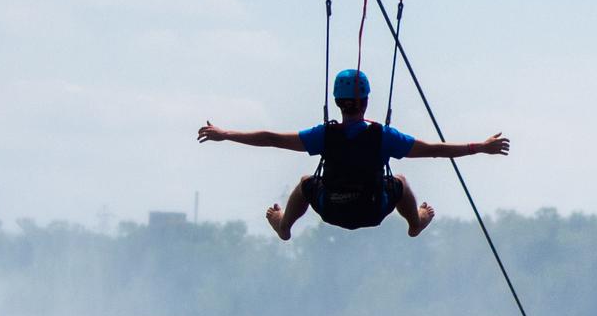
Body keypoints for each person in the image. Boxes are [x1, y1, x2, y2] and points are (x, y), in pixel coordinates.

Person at [197, 68, 510, 240]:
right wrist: (479, 147)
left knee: (306, 182)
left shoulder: (324, 135)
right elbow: (434, 151)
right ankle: (415, 223)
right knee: (400, 181)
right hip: (372, 210)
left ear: (337, 102)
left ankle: (284, 226)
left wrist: (226, 134)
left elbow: (271, 139)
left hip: (331, 209)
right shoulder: (384, 137)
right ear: (367, 101)